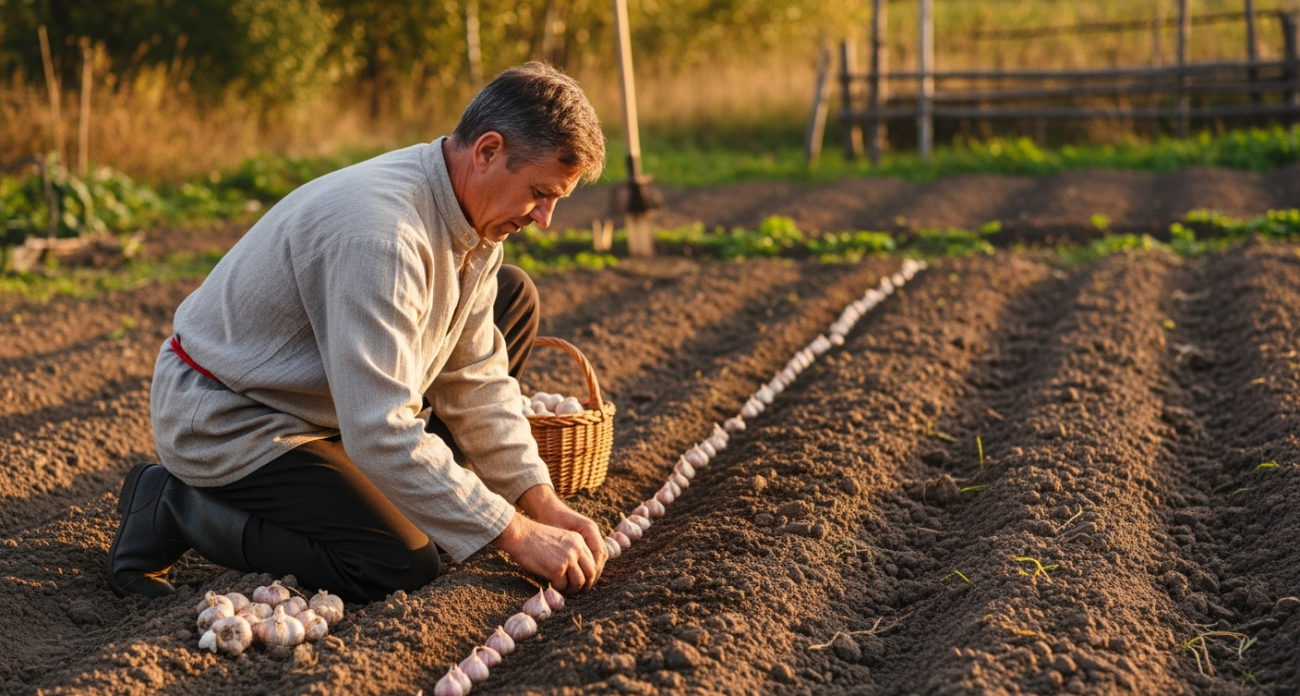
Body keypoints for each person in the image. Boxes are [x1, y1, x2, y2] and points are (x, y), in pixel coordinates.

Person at [105, 63, 609, 603]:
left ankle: (414, 491)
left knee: (511, 295)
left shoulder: (473, 223)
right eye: (539, 192)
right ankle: (175, 507)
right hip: (233, 414)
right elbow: (378, 429)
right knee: (397, 561)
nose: (546, 218)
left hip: (324, 401)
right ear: (487, 151)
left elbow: (475, 378)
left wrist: (541, 503)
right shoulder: (384, 237)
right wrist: (515, 533)